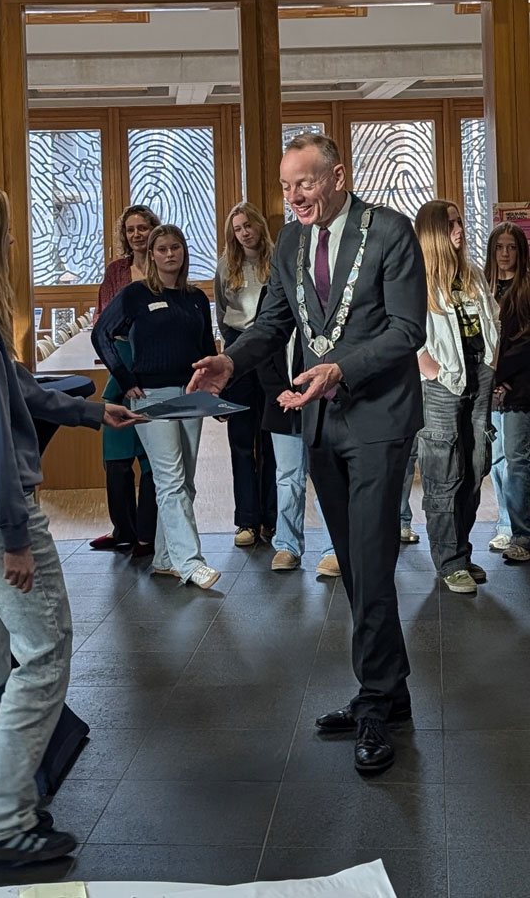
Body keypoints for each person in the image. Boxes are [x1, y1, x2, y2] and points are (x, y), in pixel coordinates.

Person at [0, 183, 142, 866]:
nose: (14, 242)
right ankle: (3, 816)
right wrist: (16, 536)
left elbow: (17, 392)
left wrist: (90, 413)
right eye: (4, 232)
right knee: (44, 653)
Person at [189, 132, 426, 776]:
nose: (293, 196)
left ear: (338, 177)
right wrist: (230, 361)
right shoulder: (292, 241)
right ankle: (391, 691)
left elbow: (408, 330)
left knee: (370, 560)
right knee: (355, 563)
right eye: (286, 186)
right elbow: (272, 323)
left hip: (377, 419)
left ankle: (374, 701)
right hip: (319, 420)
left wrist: (341, 370)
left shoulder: (390, 232)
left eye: (306, 183)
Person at [93, 224, 222, 590]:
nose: (169, 254)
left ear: (184, 252)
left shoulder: (196, 298)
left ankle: (166, 558)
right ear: (151, 255)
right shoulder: (135, 294)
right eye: (162, 249)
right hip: (151, 396)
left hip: (191, 395)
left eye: (175, 247)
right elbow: (101, 334)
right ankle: (190, 563)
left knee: (186, 482)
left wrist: (213, 395)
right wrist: (124, 378)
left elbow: (206, 349)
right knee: (169, 479)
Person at [414, 200, 499, 594]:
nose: (460, 229)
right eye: (451, 224)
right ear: (434, 231)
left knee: (476, 465)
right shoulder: (416, 279)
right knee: (444, 472)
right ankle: (449, 562)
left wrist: (492, 362)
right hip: (441, 384)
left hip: (479, 375)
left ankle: (461, 554)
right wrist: (432, 370)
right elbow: (406, 333)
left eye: (460, 221)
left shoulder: (472, 273)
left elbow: (492, 318)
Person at [90, 205, 160, 556]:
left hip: (154, 365)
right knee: (116, 459)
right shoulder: (116, 271)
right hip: (119, 364)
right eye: (130, 229)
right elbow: (102, 322)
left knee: (151, 458)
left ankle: (147, 534)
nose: (136, 234)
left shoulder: (164, 266)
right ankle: (123, 530)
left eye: (142, 227)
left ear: (153, 229)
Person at [215, 202, 278, 547]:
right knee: (241, 441)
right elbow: (222, 313)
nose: (244, 233)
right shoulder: (226, 265)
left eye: (248, 225)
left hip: (270, 349)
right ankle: (246, 521)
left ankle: (271, 518)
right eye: (237, 229)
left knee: (270, 439)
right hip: (238, 349)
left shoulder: (276, 259)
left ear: (258, 226)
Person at [257, 331, 340, 576]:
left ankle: (334, 548)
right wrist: (278, 391)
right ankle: (287, 546)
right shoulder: (272, 311)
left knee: (327, 479)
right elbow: (262, 353)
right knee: (287, 479)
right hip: (282, 407)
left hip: (324, 405)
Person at [488, 224, 530, 563]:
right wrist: (491, 381)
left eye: (511, 247)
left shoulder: (527, 289)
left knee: (517, 460)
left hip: (519, 388)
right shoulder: (482, 288)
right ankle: (505, 523)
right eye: (500, 247)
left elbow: (525, 344)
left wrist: (502, 379)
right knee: (496, 460)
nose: (505, 253)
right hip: (490, 388)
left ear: (520, 251)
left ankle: (522, 534)